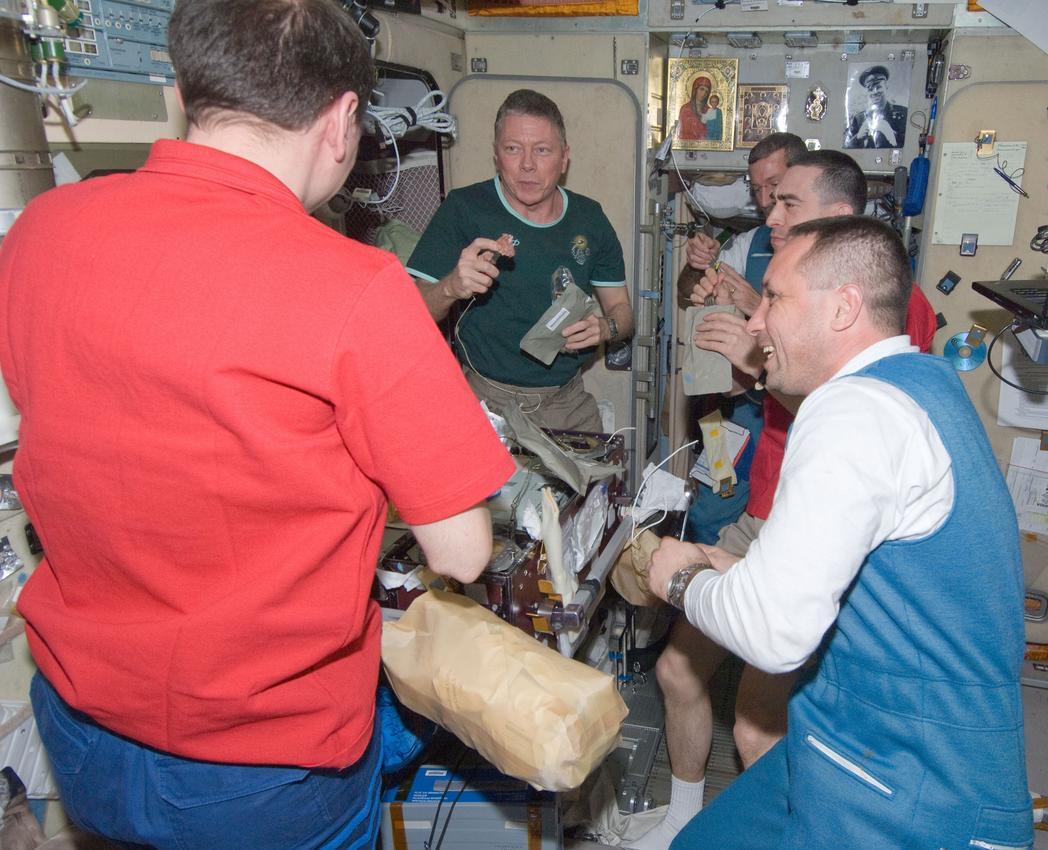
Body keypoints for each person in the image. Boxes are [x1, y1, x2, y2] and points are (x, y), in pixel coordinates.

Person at [0, 1, 515, 847]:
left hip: (82, 727)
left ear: (184, 90)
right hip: (261, 766)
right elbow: (462, 551)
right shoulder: (356, 287)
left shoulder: (40, 231)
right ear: (344, 119)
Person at [647, 216, 1032, 849]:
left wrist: (681, 579)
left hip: (919, 788)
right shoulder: (919, 381)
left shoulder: (853, 411)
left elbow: (773, 636)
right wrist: (733, 571)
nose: (754, 320)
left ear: (844, 308)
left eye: (773, 296)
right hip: (843, 732)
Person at [632, 149, 937, 850]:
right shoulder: (793, 283)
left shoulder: (895, 305)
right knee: (679, 669)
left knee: (756, 723)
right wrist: (751, 356)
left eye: (787, 203)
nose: (771, 214)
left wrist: (754, 359)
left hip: (811, 520)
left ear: (839, 214)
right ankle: (682, 820)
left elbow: (862, 431)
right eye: (767, 200)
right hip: (760, 506)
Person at [406, 89, 632, 432]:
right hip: (486, 400)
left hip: (565, 402)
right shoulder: (464, 209)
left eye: (542, 150)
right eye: (513, 149)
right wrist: (451, 286)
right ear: (497, 155)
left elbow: (623, 311)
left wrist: (605, 327)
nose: (527, 164)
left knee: (596, 482)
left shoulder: (590, 218)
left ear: (564, 157)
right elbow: (410, 313)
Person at [675, 132, 807, 550]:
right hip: (732, 412)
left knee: (784, 526)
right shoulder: (748, 245)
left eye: (776, 186)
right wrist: (698, 268)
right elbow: (687, 291)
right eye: (757, 188)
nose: (766, 198)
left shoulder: (834, 260)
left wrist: (755, 304)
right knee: (706, 514)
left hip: (792, 416)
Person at [844, 64, 909, 149]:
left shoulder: (903, 113)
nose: (874, 92)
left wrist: (892, 135)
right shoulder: (859, 119)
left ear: (886, 87)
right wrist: (858, 137)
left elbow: (912, 145)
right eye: (870, 89)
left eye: (878, 87)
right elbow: (846, 148)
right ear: (866, 92)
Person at [677, 76, 712, 141]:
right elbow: (682, 132)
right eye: (701, 89)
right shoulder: (685, 109)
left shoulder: (709, 111)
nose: (704, 93)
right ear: (695, 89)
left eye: (706, 91)